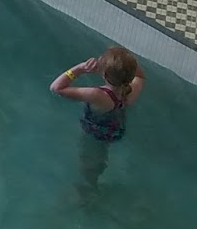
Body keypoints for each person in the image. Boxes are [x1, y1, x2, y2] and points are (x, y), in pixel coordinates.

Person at [50, 46, 144, 190]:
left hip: (94, 134)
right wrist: (126, 65)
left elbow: (56, 88)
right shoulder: (130, 92)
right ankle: (96, 173)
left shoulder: (97, 95)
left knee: (87, 163)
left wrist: (80, 69)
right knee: (100, 154)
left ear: (104, 74)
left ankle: (88, 189)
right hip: (114, 128)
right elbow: (140, 76)